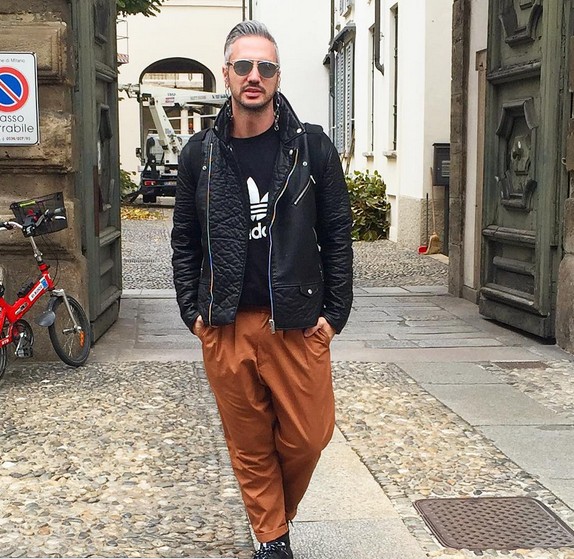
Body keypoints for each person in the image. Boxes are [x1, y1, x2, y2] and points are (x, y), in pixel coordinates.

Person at [171, 20, 353, 559]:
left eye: (266, 67)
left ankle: (274, 514)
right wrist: (192, 311)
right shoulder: (200, 153)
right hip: (226, 323)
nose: (255, 76)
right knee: (249, 442)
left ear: (277, 76)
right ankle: (272, 539)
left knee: (310, 436)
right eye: (244, 66)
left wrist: (334, 315)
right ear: (227, 73)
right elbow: (184, 239)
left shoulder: (312, 148)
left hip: (295, 322)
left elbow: (336, 233)